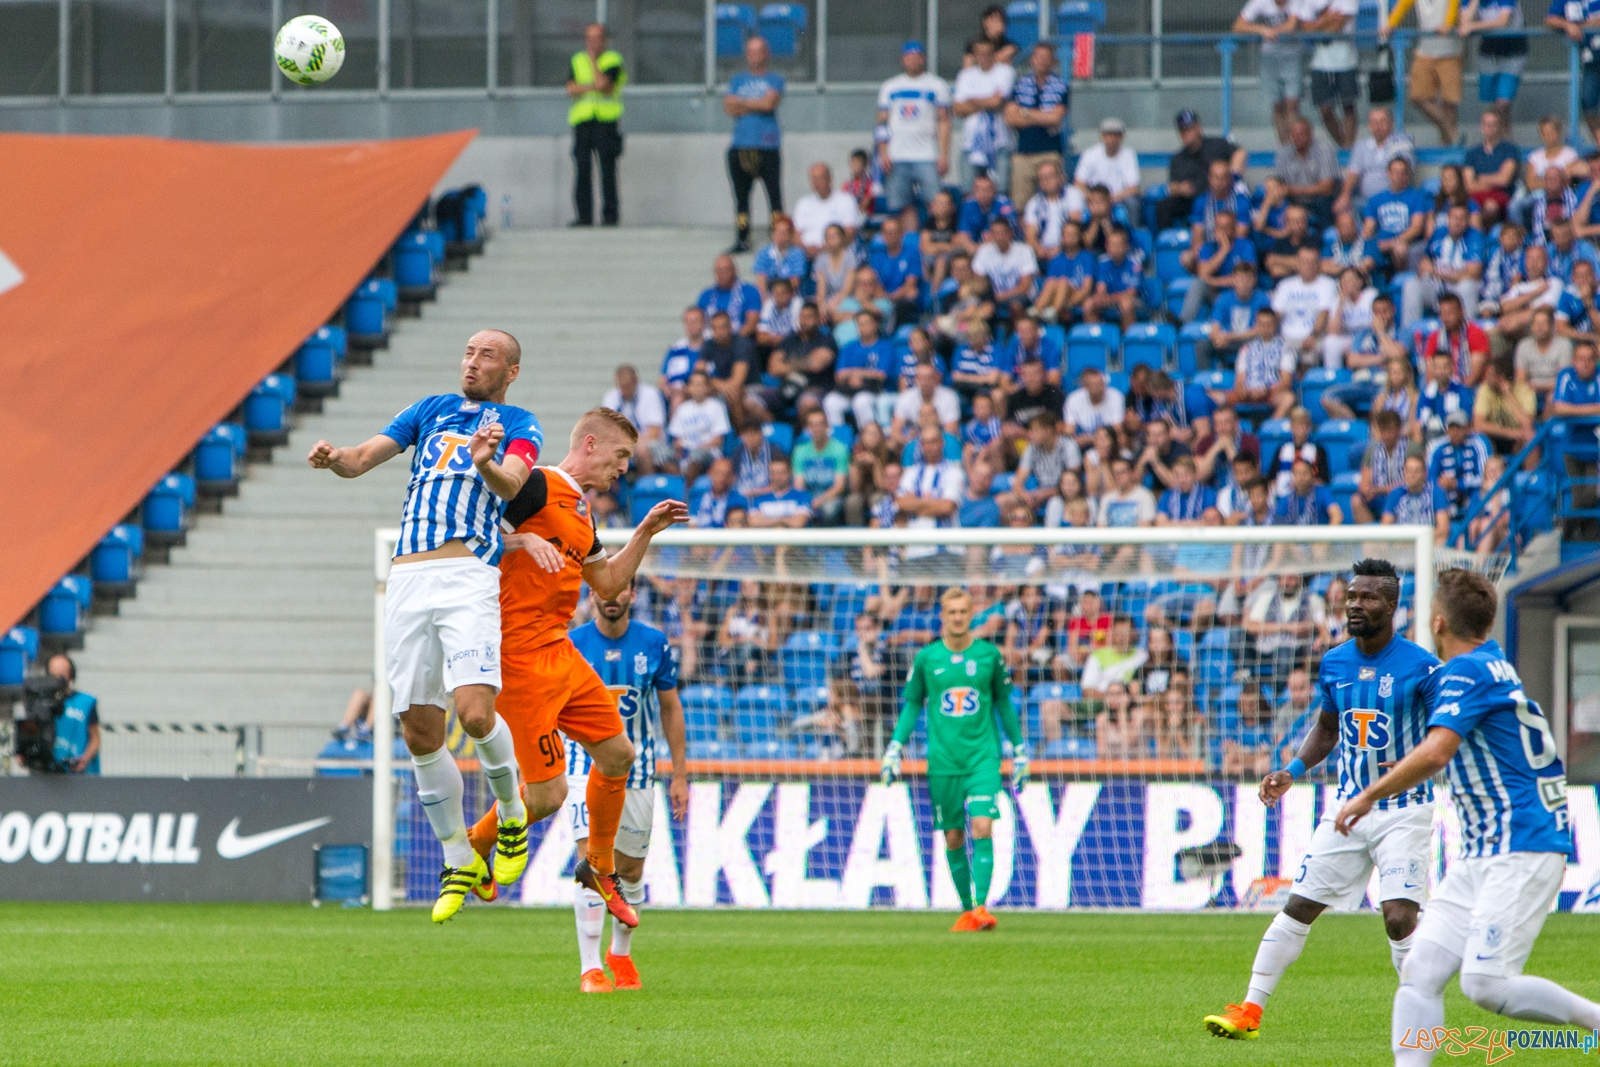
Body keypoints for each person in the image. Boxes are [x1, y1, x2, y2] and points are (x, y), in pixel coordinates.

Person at [307, 329, 539, 923]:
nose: (472, 361)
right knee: (417, 731)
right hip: (408, 577)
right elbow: (361, 459)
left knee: (475, 714)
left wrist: (485, 464)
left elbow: (512, 483)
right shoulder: (429, 410)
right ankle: (458, 855)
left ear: (511, 370)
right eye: (468, 351)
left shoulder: (520, 423)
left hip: (467, 575)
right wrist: (334, 459)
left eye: (487, 354)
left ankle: (512, 813)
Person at [1334, 570, 1600, 1065]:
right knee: (1420, 969)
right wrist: (1414, 763)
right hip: (1486, 851)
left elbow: (1438, 751)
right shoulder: (1494, 664)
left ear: (1438, 622)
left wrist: (1368, 794)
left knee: (1485, 984)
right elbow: (1474, 749)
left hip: (1521, 845)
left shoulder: (1465, 671)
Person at [1204, 559, 1442, 1042]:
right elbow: (1329, 728)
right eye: (1351, 596)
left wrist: (1422, 767)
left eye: (1368, 597)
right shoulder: (1334, 662)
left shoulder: (1422, 667)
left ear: (1391, 605)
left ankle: (1420, 1025)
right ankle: (1249, 1011)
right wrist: (1291, 771)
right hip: (1347, 809)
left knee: (1399, 917)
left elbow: (1444, 736)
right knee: (1298, 906)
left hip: (1405, 809)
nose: (1355, 604)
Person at [469, 409, 687, 932]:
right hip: (518, 658)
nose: (624, 469)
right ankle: (473, 844)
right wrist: (521, 538)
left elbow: (607, 583)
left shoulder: (582, 511)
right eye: (620, 456)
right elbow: (469, 541)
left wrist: (645, 531)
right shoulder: (534, 485)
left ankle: (599, 868)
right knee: (548, 796)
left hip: (561, 650)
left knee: (619, 754)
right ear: (590, 444)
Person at [492, 582, 683, 993]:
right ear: (591, 596)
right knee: (593, 863)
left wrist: (680, 774)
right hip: (581, 765)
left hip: (638, 770)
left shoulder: (654, 643)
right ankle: (590, 968)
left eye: (620, 590)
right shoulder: (570, 644)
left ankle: (620, 954)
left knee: (630, 871)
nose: (611, 597)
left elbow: (670, 707)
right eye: (602, 590)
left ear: (633, 595)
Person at [881, 588, 1027, 933]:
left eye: (963, 611)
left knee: (983, 826)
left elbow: (1003, 703)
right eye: (952, 612)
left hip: (982, 759)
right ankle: (966, 910)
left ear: (971, 614)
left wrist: (1020, 749)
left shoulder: (989, 655)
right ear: (942, 616)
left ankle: (981, 907)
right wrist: (894, 747)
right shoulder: (927, 659)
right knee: (953, 837)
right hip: (943, 762)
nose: (958, 617)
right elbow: (912, 705)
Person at [724, 36, 784, 254]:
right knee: (741, 198)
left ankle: (779, 238)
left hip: (767, 145)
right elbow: (729, 108)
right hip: (740, 145)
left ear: (766, 53)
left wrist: (742, 103)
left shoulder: (775, 79)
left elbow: (769, 104)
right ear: (747, 55)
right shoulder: (737, 80)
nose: (755, 55)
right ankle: (742, 238)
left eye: (759, 51)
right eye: (751, 51)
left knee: (774, 196)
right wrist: (756, 103)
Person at [876, 41, 951, 213]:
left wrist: (944, 155)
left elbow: (944, 121)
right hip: (897, 155)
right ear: (903, 60)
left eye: (917, 57)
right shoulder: (890, 87)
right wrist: (883, 153)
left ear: (923, 59)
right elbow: (882, 122)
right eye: (909, 57)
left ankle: (931, 230)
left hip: (927, 154)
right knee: (900, 206)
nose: (913, 61)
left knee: (935, 202)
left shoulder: (937, 86)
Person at [566, 24, 625, 228]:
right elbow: (571, 88)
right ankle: (584, 217)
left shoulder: (613, 60)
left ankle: (610, 216)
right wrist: (592, 87)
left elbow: (604, 86)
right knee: (582, 168)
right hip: (583, 121)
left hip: (605, 122)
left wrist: (592, 61)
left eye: (596, 38)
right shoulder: (577, 60)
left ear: (604, 40)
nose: (592, 43)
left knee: (607, 169)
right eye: (589, 38)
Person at [1157, 110, 1248, 232]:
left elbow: (1241, 153)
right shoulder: (1177, 159)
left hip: (1221, 195)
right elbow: (1173, 186)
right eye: (1182, 130)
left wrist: (1231, 175)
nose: (1186, 134)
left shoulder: (1216, 144)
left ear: (1198, 128)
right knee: (1163, 205)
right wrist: (1180, 188)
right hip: (1193, 198)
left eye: (1189, 129)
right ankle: (1166, 240)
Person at [1388, 0, 1464, 144]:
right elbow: (1403, 4)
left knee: (1449, 102)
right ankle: (1453, 133)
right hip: (1425, 52)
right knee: (1417, 97)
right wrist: (1390, 23)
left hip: (1450, 52)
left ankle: (1449, 147)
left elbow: (1454, 5)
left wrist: (1448, 23)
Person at [1005, 41, 1069, 208]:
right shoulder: (1020, 84)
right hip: (1023, 152)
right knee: (1020, 204)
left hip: (1050, 152)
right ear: (1032, 59)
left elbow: (1055, 119)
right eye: (1038, 57)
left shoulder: (1061, 86)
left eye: (1046, 57)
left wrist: (1025, 112)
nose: (1042, 61)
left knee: (1055, 200)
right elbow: (1010, 118)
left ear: (1053, 61)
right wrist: (1043, 115)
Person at [1402, 202, 1484, 326]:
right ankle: (1410, 332)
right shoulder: (1439, 233)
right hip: (1438, 286)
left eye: (1462, 218)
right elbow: (1425, 261)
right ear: (1448, 219)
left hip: (1459, 287)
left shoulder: (1475, 237)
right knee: (1412, 285)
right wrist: (1427, 268)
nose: (1457, 222)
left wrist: (1435, 272)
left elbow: (1473, 273)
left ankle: (1466, 331)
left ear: (1468, 221)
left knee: (1467, 286)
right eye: (1454, 218)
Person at [1235, 0, 1305, 142]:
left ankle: (1296, 145)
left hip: (1291, 55)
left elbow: (1291, 25)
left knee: (1292, 105)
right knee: (1277, 105)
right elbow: (1238, 26)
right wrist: (1262, 30)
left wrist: (1273, 31)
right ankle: (1285, 146)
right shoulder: (1259, 2)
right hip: (1269, 57)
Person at [952, 36, 1014, 193]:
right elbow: (958, 109)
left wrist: (971, 101)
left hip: (999, 143)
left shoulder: (1005, 72)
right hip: (970, 144)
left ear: (994, 53)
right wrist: (987, 100)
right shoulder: (965, 75)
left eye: (988, 53)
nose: (984, 57)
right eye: (980, 53)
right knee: (968, 191)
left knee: (1001, 191)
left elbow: (997, 102)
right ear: (974, 55)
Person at [1299, 0, 1360, 148]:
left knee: (1348, 106)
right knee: (1325, 110)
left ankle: (1348, 148)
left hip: (1346, 61)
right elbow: (1304, 28)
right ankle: (1343, 145)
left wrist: (1316, 25)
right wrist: (1327, 20)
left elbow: (1338, 26)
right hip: (1320, 64)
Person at [1460, 0, 1527, 131]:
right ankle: (1500, 136)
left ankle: (1505, 136)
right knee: (1491, 104)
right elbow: (1464, 22)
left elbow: (1503, 21)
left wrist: (1472, 26)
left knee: (1503, 102)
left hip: (1513, 53)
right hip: (1488, 54)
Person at [1337, 107, 1417, 214]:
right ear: (1369, 126)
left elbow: (1403, 172)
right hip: (1365, 201)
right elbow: (1352, 174)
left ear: (1392, 123)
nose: (1378, 126)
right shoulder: (1361, 146)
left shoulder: (1401, 142)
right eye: (1374, 122)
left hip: (1393, 200)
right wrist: (1345, 196)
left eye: (1383, 121)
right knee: (1343, 212)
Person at [1182, 208, 1257, 324]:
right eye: (1219, 227)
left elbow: (1248, 278)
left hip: (1239, 295)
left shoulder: (1245, 245)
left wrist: (1213, 282)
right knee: (1198, 283)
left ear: (1234, 228)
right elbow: (1203, 274)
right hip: (1216, 295)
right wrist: (1223, 250)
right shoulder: (1208, 247)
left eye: (1226, 227)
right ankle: (1183, 323)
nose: (1222, 231)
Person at [1363, 156, 1432, 278]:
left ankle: (1399, 281)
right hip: (1380, 242)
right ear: (1388, 173)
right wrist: (1370, 242)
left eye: (1403, 172)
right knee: (1366, 252)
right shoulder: (1376, 199)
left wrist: (1392, 243)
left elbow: (1416, 228)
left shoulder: (1417, 197)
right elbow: (1368, 228)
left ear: (1408, 175)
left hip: (1406, 242)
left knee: (1400, 249)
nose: (1399, 176)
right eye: (1395, 172)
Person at [1272, 246, 1340, 366]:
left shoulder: (1327, 284)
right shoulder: (1285, 285)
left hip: (1314, 338)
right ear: (1297, 263)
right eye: (1304, 261)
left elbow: (1324, 314)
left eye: (1312, 262)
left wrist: (1313, 336)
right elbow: (1276, 315)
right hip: (1285, 339)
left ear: (1318, 264)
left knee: (1309, 354)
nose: (1308, 265)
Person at [601, 364, 669, 474]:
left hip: (649, 442)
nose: (624, 391)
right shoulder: (611, 397)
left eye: (627, 386)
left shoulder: (650, 395)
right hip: (622, 443)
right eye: (621, 387)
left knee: (642, 449)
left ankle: (647, 482)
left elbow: (654, 432)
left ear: (636, 382)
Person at [1548, 3, 1600, 146]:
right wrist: (1568, 25)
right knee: (1588, 103)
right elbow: (1550, 19)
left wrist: (1580, 26)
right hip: (1591, 60)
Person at [1273, 119, 1341, 227]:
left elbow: (1326, 188)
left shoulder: (1324, 151)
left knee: (1323, 201)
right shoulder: (1283, 153)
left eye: (1301, 134)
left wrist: (1292, 190)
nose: (1298, 137)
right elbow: (1278, 185)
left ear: (1310, 134)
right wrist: (1286, 190)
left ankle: (1325, 234)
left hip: (1319, 200)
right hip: (1293, 200)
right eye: (1295, 134)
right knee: (1275, 200)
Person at [667, 370, 731, 483]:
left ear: (707, 387)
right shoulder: (682, 408)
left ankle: (687, 489)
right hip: (685, 452)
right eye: (694, 384)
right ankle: (679, 484)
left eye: (700, 384)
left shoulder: (716, 406)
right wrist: (680, 447)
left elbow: (718, 440)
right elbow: (676, 438)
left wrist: (696, 448)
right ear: (689, 388)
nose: (697, 388)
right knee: (661, 455)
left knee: (695, 457)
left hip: (709, 452)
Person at [972, 215, 1039, 323]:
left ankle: (1018, 332)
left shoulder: (1024, 250)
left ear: (1010, 233)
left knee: (1015, 305)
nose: (999, 237)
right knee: (978, 306)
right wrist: (990, 298)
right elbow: (978, 281)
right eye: (995, 233)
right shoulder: (984, 251)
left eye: (1002, 233)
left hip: (1019, 296)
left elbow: (1024, 287)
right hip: (993, 297)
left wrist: (1001, 296)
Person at [791, 409, 850, 525]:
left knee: (829, 509)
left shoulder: (840, 449)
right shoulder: (800, 451)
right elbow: (799, 485)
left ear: (827, 426)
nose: (816, 428)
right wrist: (805, 502)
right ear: (807, 428)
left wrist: (819, 500)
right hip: (808, 496)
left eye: (820, 424)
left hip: (832, 496)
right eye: (812, 425)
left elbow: (839, 486)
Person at [1463, 108, 1521, 225]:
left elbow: (1504, 180)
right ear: (1481, 126)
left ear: (1500, 127)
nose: (1490, 127)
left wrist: (1479, 178)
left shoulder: (1510, 150)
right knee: (1464, 208)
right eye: (1487, 124)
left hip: (1502, 195)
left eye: (1494, 124)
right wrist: (1493, 181)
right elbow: (1468, 185)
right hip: (1476, 195)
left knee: (1490, 207)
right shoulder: (1472, 153)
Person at [1351, 409, 1410, 522]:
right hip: (1379, 497)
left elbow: (1410, 480)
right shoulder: (1372, 451)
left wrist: (1378, 490)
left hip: (1403, 495)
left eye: (1390, 430)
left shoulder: (1410, 448)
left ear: (1399, 429)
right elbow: (1364, 482)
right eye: (1383, 431)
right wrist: (1367, 491)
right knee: (1356, 500)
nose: (1387, 435)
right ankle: (1370, 532)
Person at [792, 163, 863, 257]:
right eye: (814, 179)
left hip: (835, 254)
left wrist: (822, 250)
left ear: (830, 178)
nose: (817, 182)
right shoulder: (803, 203)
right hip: (805, 255)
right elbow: (796, 235)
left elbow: (849, 234)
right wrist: (806, 250)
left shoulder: (846, 200)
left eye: (820, 178)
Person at [1022, 159, 1086, 263]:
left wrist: (1060, 249)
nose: (1046, 181)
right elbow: (1030, 235)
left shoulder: (1073, 194)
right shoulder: (1033, 203)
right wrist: (1039, 249)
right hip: (1042, 253)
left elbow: (1075, 225)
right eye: (1041, 178)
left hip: (1069, 250)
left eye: (1049, 176)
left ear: (1060, 177)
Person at [44, 654, 99, 774]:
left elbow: (95, 738)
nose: (58, 679)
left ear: (71, 675)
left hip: (79, 771)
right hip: (47, 771)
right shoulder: (41, 702)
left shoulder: (85, 702)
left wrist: (84, 759)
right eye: (54, 674)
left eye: (62, 674)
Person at [1382, 453, 1453, 544]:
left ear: (1425, 473)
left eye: (1417, 471)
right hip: (1401, 543)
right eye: (1409, 471)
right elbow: (1385, 527)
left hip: (1429, 542)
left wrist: (1419, 540)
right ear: (1404, 472)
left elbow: (1443, 529)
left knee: (1441, 540)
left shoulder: (1436, 492)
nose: (1412, 475)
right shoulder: (1396, 494)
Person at [1473, 352, 1537, 454]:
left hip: (1517, 440)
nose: (1486, 378)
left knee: (1530, 437)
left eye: (1490, 375)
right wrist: (1510, 433)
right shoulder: (1485, 389)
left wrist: (1508, 395)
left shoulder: (1525, 391)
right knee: (1478, 436)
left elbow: (1527, 424)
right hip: (1494, 436)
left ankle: (1528, 466)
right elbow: (1478, 424)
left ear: (1501, 377)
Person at [870, 215, 925, 326]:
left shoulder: (912, 253)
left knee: (912, 293)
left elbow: (910, 284)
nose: (890, 235)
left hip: (902, 298)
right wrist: (886, 297)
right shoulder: (876, 255)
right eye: (886, 232)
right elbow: (875, 283)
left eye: (894, 232)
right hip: (883, 298)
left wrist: (891, 298)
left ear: (901, 233)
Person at [1074, 118, 1140, 206]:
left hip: (1119, 199)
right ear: (1101, 136)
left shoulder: (1129, 154)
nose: (1112, 139)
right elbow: (1079, 184)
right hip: (1094, 198)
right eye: (1108, 134)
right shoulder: (1090, 154)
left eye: (1116, 135)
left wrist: (1111, 199)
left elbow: (1133, 187)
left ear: (1122, 136)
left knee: (1133, 203)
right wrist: (1093, 198)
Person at [1519, 302, 1575, 405]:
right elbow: (1520, 379)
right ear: (1532, 326)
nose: (1540, 327)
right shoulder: (1524, 346)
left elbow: (1563, 379)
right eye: (1536, 323)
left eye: (1544, 323)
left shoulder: (1564, 345)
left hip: (1555, 391)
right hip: (1530, 392)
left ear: (1552, 325)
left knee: (1552, 397)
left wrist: (1538, 386)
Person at [1085, 226, 1142, 325]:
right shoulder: (1102, 262)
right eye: (1112, 245)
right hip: (1110, 298)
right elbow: (1101, 288)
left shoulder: (1134, 264)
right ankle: (1096, 333)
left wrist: (1110, 298)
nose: (1115, 248)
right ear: (1107, 247)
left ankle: (1128, 334)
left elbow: (1131, 293)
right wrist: (1101, 297)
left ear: (1126, 247)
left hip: (1135, 300)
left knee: (1126, 304)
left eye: (1118, 245)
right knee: (1089, 304)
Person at [699, 255, 762, 338]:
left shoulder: (749, 291)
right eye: (718, 271)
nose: (722, 274)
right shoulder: (706, 295)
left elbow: (751, 324)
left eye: (725, 270)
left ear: (734, 270)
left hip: (739, 339)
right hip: (711, 340)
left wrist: (730, 341)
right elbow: (698, 322)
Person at [659, 306, 705, 410]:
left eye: (695, 321)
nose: (692, 325)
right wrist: (667, 389)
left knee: (679, 398)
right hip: (676, 395)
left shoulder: (711, 348)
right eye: (688, 322)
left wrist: (688, 390)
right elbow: (662, 380)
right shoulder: (675, 350)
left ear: (703, 323)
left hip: (704, 396)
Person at [752, 216, 807, 297]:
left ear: (791, 235)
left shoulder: (797, 254)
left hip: (790, 295)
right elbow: (761, 279)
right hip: (769, 294)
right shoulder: (764, 252)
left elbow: (795, 282)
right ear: (773, 234)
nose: (781, 236)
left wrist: (779, 294)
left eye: (785, 233)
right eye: (778, 232)